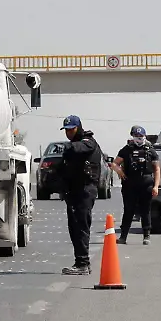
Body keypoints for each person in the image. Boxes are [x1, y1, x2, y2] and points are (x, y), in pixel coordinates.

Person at [59, 115, 103, 275]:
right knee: (74, 227)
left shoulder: (88, 142)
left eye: (72, 129)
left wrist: (67, 148)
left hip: (85, 190)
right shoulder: (73, 145)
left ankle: (83, 264)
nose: (69, 133)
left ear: (79, 128)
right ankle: (81, 262)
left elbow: (80, 148)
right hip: (74, 191)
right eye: (66, 130)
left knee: (81, 226)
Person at [112, 125, 160, 245]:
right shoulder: (126, 149)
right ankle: (123, 237)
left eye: (141, 136)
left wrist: (156, 186)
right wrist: (120, 172)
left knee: (145, 210)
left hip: (146, 183)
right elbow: (114, 163)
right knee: (128, 210)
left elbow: (157, 169)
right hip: (130, 184)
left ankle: (146, 236)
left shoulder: (150, 151)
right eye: (137, 136)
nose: (139, 138)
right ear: (133, 137)